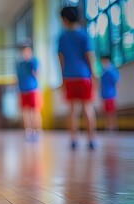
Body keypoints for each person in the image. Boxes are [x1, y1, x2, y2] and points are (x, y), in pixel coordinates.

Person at [58, 6, 98, 150]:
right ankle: (91, 139)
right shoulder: (83, 34)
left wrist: (63, 79)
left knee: (73, 110)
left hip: (69, 77)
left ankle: (74, 139)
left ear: (65, 19)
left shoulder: (62, 37)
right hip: (84, 76)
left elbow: (61, 59)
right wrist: (94, 75)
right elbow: (89, 56)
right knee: (87, 107)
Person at [16, 44, 42, 141]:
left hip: (33, 90)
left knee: (35, 111)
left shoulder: (34, 61)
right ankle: (28, 131)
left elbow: (37, 73)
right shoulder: (20, 64)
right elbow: (18, 77)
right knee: (25, 112)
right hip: (23, 90)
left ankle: (37, 130)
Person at [100, 56, 120, 131]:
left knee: (112, 111)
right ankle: (108, 126)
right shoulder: (104, 72)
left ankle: (114, 126)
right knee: (106, 112)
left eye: (104, 61)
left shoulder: (112, 70)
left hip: (111, 95)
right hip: (105, 95)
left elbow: (117, 81)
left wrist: (115, 93)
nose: (103, 63)